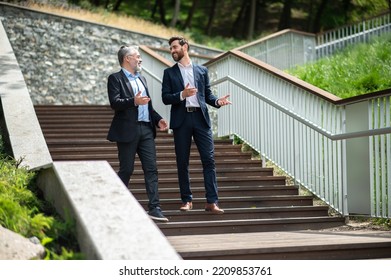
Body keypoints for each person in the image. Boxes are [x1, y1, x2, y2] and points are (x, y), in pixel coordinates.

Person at [161, 36, 232, 214]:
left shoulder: (201, 71)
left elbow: (207, 95)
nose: (172, 51)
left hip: (200, 120)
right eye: (170, 48)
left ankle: (212, 202)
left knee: (209, 160)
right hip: (181, 120)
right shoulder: (169, 73)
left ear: (185, 47)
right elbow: (165, 97)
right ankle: (187, 200)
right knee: (182, 162)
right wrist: (182, 94)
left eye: (175, 47)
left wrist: (217, 102)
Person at [107, 45, 169, 222]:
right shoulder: (115, 78)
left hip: (147, 130)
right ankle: (116, 203)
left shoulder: (142, 78)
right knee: (127, 169)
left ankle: (155, 208)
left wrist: (157, 119)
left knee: (152, 169)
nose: (140, 59)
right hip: (127, 130)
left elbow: (147, 105)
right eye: (137, 56)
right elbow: (115, 103)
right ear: (127, 59)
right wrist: (133, 101)